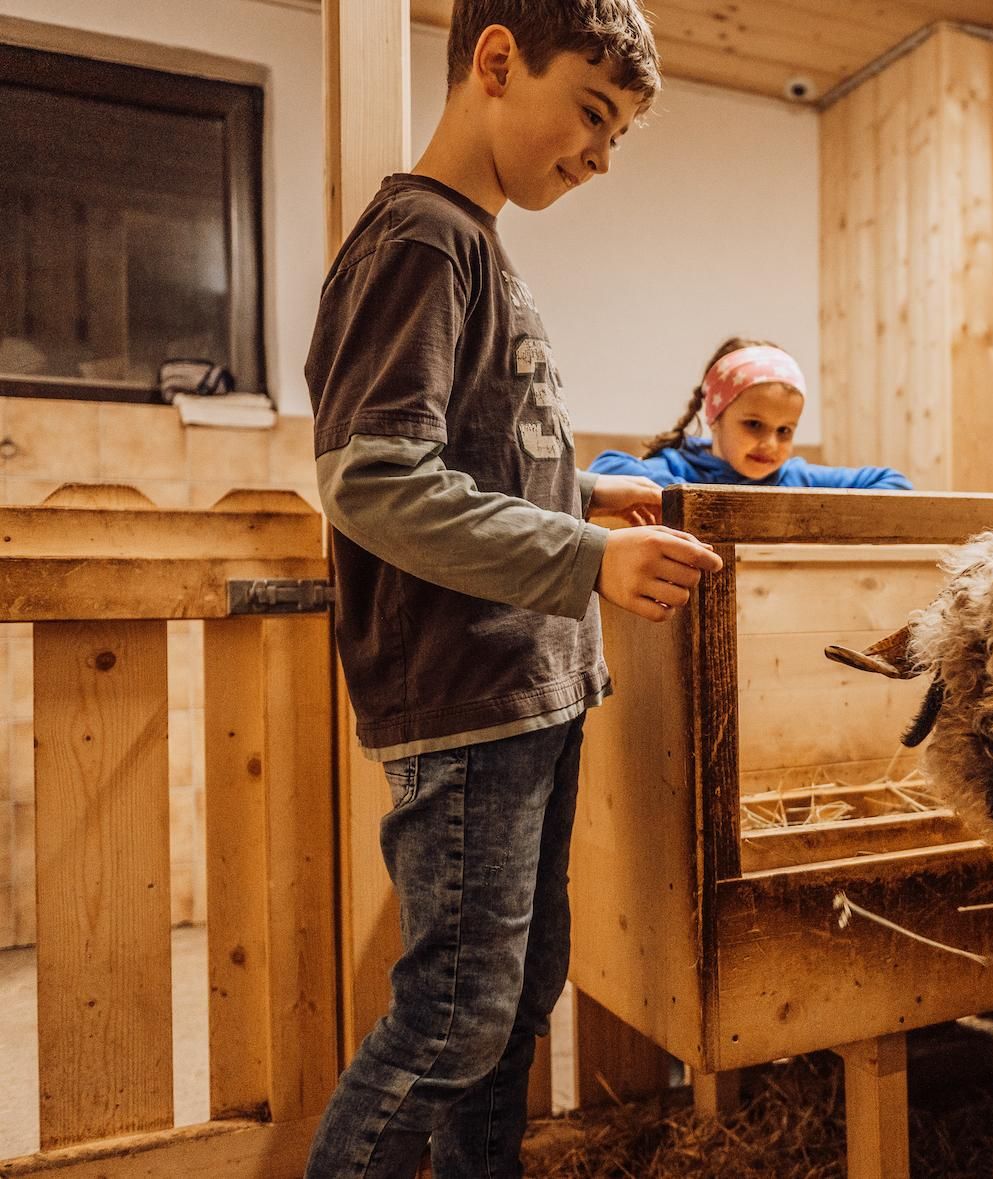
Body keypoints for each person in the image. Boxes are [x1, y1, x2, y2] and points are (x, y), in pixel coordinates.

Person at [302, 3, 723, 1175]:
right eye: (592, 113)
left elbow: (478, 463)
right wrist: (586, 560)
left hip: (529, 690)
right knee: (449, 1023)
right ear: (495, 60)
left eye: (619, 135)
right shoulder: (420, 243)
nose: (597, 156)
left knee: (515, 1000)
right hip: (468, 697)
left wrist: (583, 499)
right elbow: (374, 481)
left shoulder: (479, 249)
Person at [589, 336, 913, 488]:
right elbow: (607, 468)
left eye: (784, 430)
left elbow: (893, 483)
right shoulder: (680, 469)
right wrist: (693, 499)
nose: (770, 444)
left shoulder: (796, 478)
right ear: (715, 416)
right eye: (754, 425)